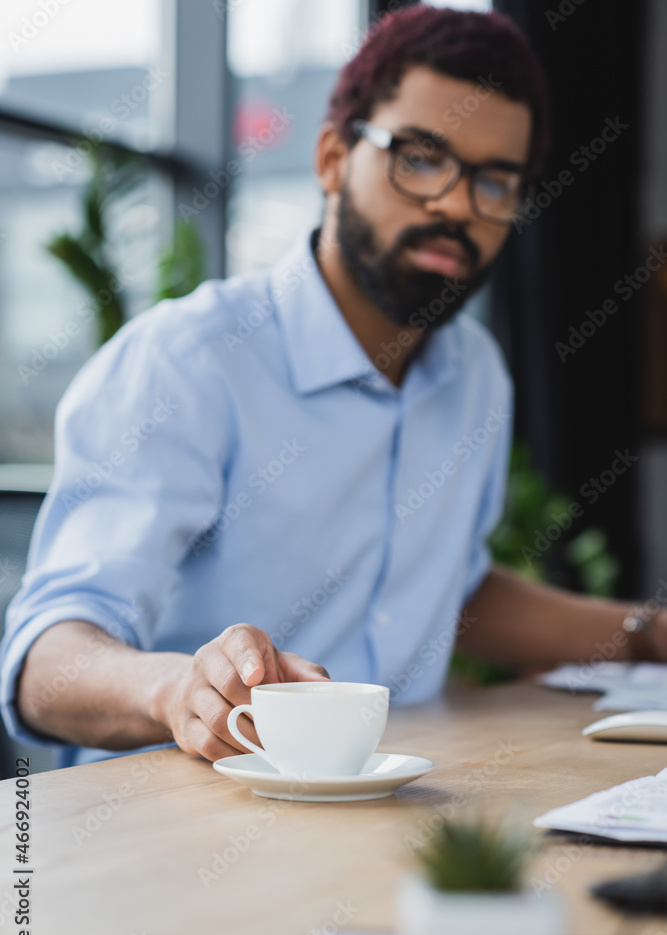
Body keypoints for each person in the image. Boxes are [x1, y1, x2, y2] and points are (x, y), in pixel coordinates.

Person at [1, 7, 665, 768]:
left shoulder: (474, 374)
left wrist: (645, 632)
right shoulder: (186, 363)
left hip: (389, 809)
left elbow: (450, 590)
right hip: (182, 831)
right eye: (419, 157)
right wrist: (177, 691)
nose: (454, 204)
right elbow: (44, 666)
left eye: (494, 181)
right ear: (329, 158)